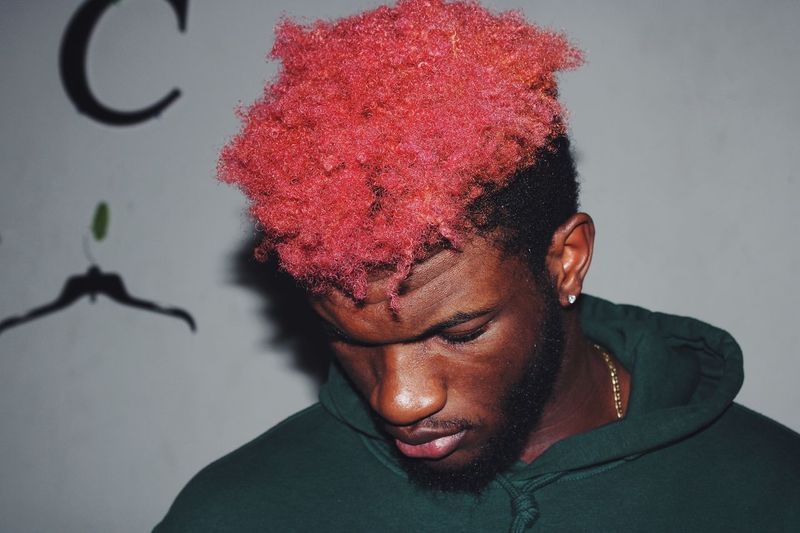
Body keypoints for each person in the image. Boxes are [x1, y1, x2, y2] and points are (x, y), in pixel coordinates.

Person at [154, 1, 800, 531]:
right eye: (351, 338)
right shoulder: (241, 510)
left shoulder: (772, 491)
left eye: (458, 332)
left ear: (565, 261)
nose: (401, 399)